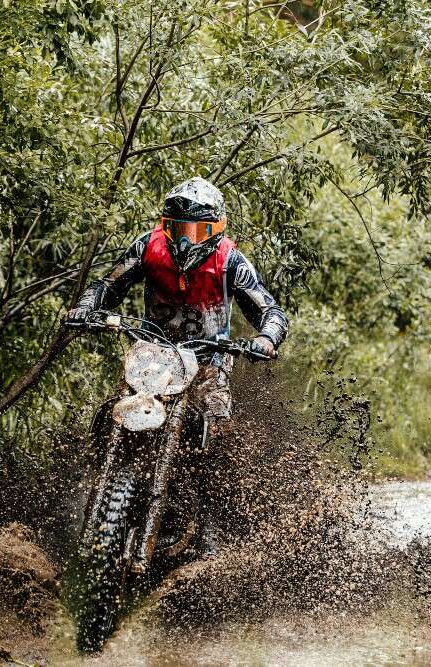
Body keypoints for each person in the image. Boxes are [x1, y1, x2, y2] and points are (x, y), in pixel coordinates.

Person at [66, 176, 289, 556]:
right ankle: (100, 488)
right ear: (164, 226)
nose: (186, 239)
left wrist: (265, 339)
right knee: (112, 413)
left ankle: (209, 524)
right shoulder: (147, 247)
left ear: (215, 230)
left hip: (206, 362)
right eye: (176, 228)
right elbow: (109, 284)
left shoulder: (230, 260)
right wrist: (88, 307)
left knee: (217, 431)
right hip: (153, 357)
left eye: (197, 229)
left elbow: (269, 309)